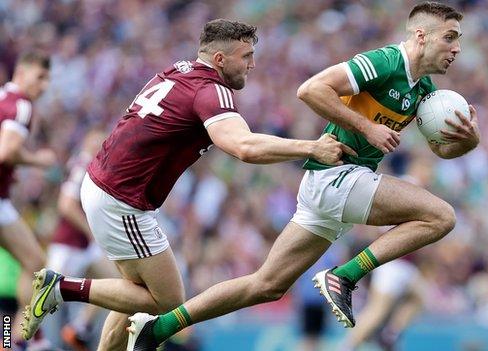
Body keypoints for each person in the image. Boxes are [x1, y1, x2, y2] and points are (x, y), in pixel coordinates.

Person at [125, 2, 480, 349]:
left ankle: (158, 329)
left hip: (331, 185)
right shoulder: (385, 62)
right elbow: (310, 89)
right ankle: (345, 276)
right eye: (450, 37)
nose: (457, 48)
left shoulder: (423, 90)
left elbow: (442, 150)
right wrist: (366, 128)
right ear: (421, 36)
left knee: (265, 285)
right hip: (337, 176)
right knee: (440, 217)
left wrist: (469, 139)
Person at [20, 19, 352, 349]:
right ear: (220, 60)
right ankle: (61, 289)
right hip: (122, 200)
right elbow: (244, 147)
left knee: (136, 293)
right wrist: (312, 147)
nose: (252, 64)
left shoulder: (179, 70)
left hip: (106, 186)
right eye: (246, 56)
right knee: (168, 300)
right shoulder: (211, 90)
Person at [42, 129, 118, 350]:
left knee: (118, 283)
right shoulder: (82, 165)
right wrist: (91, 231)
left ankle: (80, 327)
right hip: (67, 246)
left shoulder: (95, 167)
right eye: (96, 142)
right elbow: (65, 204)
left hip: (83, 248)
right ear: (87, 144)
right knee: (41, 298)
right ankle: (12, 341)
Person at [0, 51, 55, 346]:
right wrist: (38, 160)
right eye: (40, 77)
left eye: (48, 79)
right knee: (36, 265)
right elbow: (6, 152)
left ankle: (19, 340)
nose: (44, 85)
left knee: (34, 263)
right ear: (21, 73)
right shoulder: (21, 105)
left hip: (4, 201)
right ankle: (25, 341)